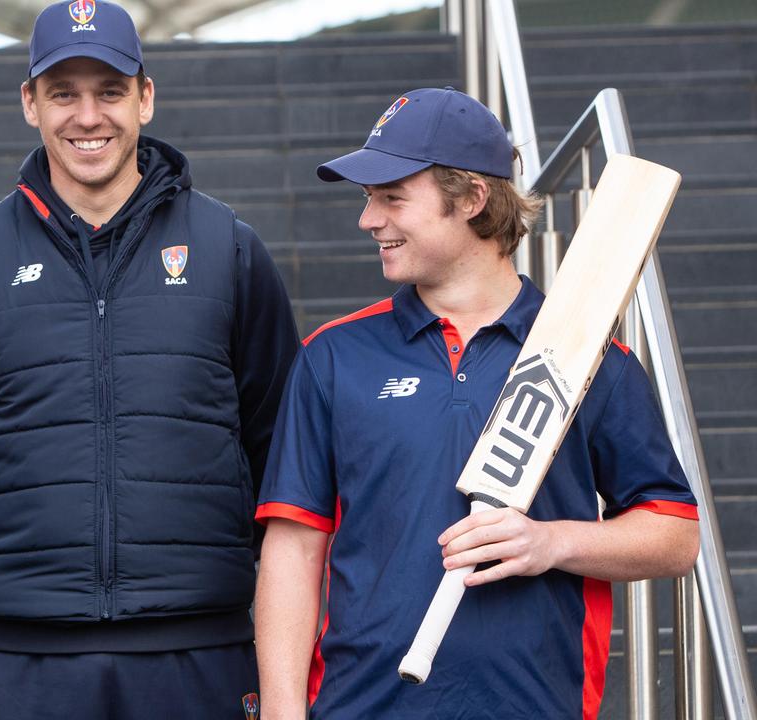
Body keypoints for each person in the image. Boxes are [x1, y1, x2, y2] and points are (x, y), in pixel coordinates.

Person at [0, 1, 299, 717]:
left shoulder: (230, 251)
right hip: (24, 658)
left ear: (145, 96)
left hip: (199, 651)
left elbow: (279, 440)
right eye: (64, 93)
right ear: (30, 104)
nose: (89, 116)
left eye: (109, 90)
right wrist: (24, 553)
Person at [253, 87, 700, 719]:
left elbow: (675, 535)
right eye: (368, 199)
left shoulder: (592, 359)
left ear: (470, 198)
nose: (368, 219)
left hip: (537, 704)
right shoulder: (334, 357)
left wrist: (551, 543)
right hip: (361, 706)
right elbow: (293, 550)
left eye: (392, 197)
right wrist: (280, 711)